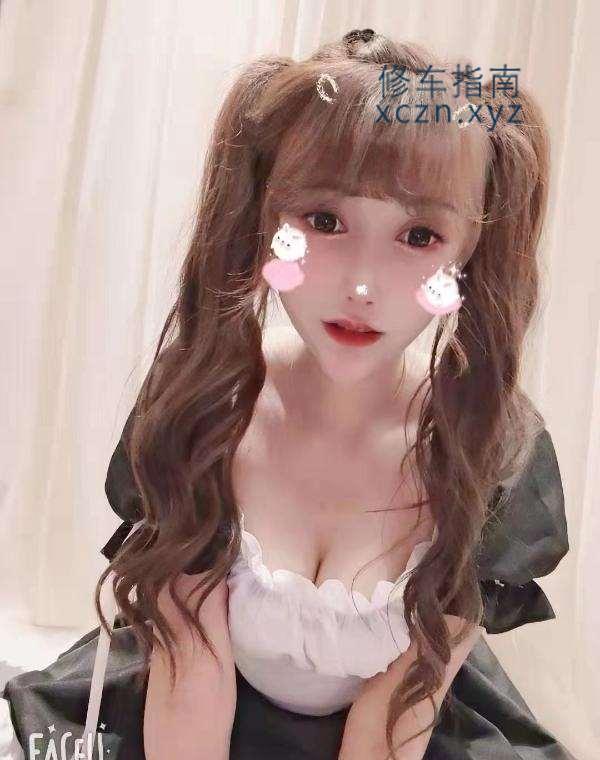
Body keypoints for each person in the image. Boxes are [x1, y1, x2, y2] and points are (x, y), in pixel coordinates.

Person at [2, 27, 577, 760]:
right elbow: (190, 679)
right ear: (264, 216)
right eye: (324, 220)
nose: (362, 287)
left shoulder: (488, 450)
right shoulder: (207, 401)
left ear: (472, 251)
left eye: (419, 236)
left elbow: (396, 716)